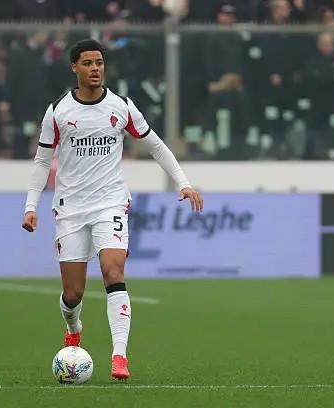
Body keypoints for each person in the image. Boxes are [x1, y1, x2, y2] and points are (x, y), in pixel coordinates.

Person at [21, 39, 203, 381]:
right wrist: (31, 206)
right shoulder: (58, 111)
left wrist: (184, 183)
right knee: (73, 293)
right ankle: (73, 328)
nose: (95, 69)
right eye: (87, 63)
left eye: (99, 63)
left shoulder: (121, 107)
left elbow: (156, 145)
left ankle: (120, 356)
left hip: (111, 203)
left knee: (112, 271)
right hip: (71, 208)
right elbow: (42, 160)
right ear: (74, 67)